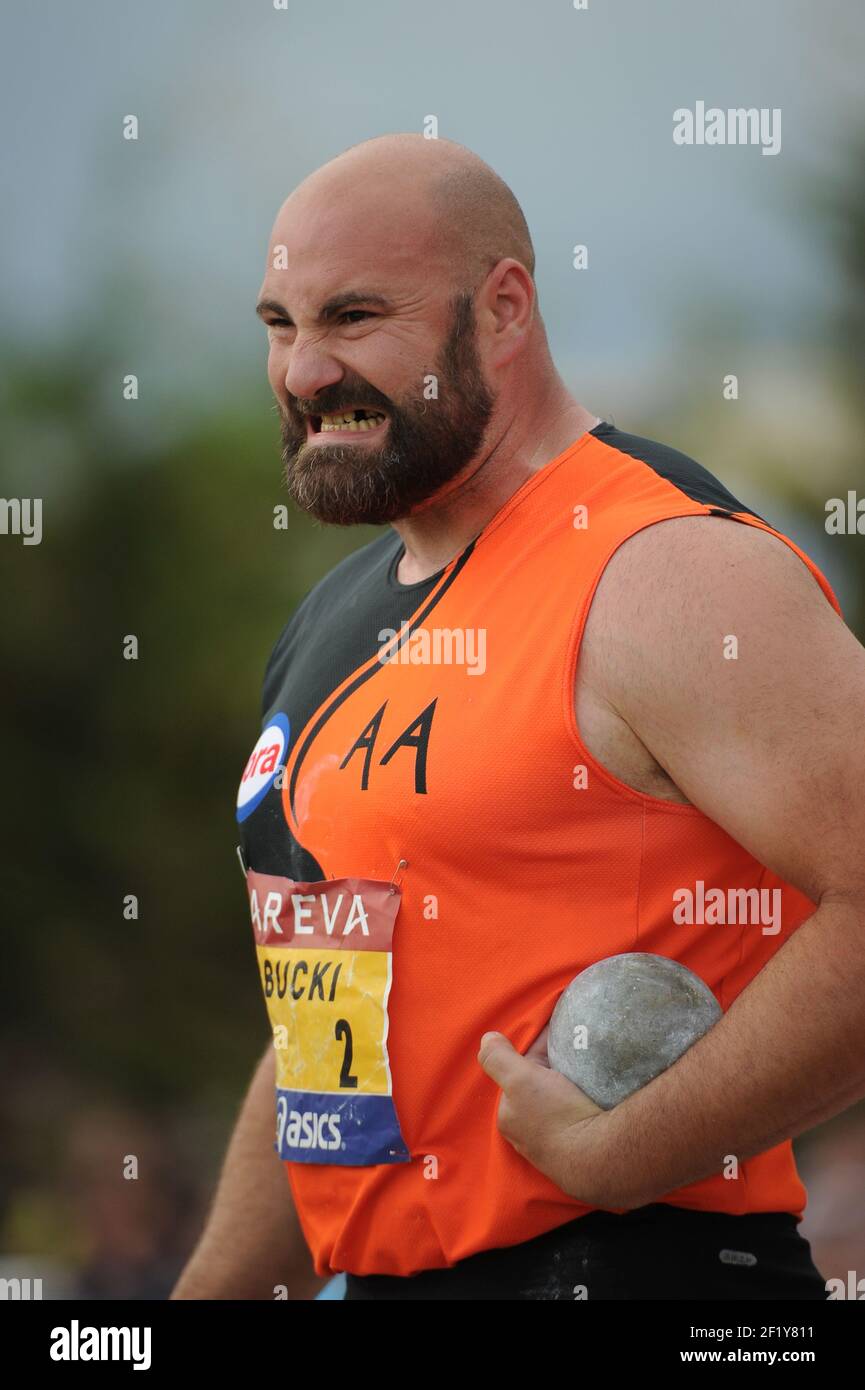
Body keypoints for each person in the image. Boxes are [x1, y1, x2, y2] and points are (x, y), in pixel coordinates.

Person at [172, 133, 865, 1301]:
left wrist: (610, 1155)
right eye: (279, 326)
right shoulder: (329, 627)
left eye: (353, 316)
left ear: (501, 311)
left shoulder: (665, 571)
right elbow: (327, 1052)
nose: (302, 373)